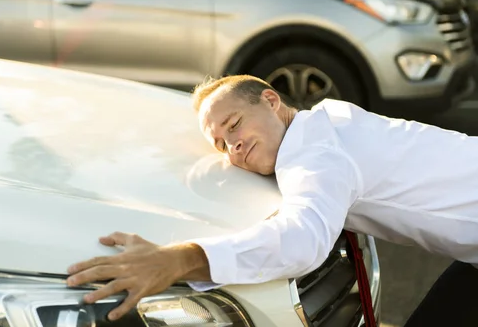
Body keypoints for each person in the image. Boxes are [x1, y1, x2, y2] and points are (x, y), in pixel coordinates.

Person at [66, 74, 478, 324]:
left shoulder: (316, 151)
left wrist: (179, 259)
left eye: (234, 123)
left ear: (270, 100)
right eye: (221, 143)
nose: (234, 145)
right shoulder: (332, 120)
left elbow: (302, 237)